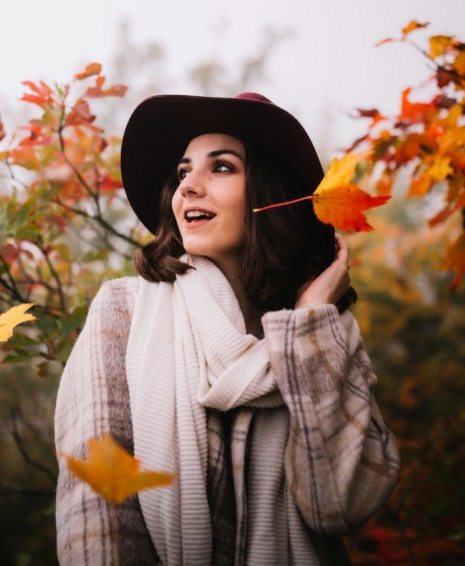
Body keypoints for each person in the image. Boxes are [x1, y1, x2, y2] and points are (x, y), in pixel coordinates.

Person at [54, 92, 400, 565]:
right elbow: (95, 517)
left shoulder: (325, 336)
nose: (188, 187)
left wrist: (310, 318)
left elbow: (338, 505)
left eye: (220, 167)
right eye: (182, 173)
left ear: (269, 198)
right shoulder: (125, 311)